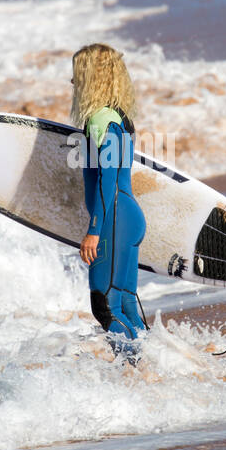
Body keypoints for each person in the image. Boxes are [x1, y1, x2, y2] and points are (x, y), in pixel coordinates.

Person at [70, 43, 147, 362]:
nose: (72, 83)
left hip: (113, 219)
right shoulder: (118, 118)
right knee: (126, 304)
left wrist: (94, 230)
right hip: (128, 219)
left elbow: (108, 179)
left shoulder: (100, 120)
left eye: (77, 74)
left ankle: (131, 373)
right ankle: (150, 368)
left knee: (105, 307)